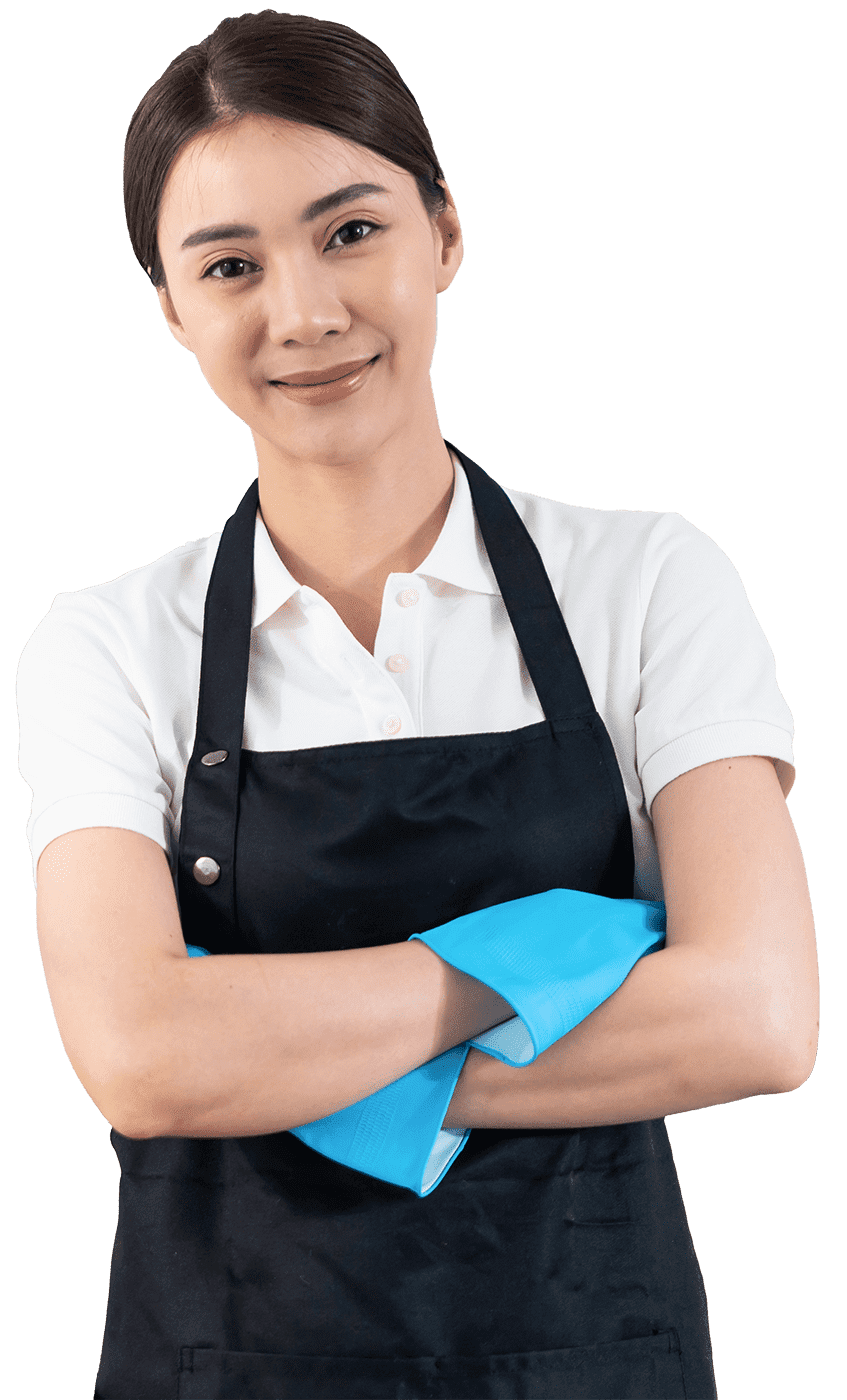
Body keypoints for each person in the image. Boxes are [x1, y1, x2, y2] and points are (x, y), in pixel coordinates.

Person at [16, 10, 818, 1399]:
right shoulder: (105, 645)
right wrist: (547, 955)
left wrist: (265, 1047)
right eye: (228, 265)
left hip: (593, 1363)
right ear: (172, 308)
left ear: (444, 231)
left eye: (348, 231)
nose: (304, 313)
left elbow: (754, 1018)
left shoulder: (645, 581)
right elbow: (142, 1065)